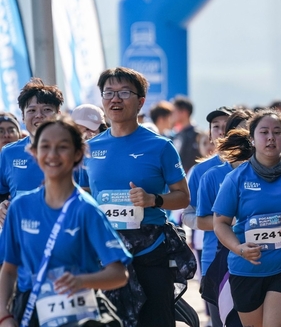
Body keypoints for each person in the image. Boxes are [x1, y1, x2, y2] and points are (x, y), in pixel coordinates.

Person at [79, 67, 190, 327]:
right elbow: (82, 194)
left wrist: (154, 200)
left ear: (140, 102)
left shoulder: (160, 146)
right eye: (109, 93)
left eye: (124, 93)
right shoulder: (89, 148)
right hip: (104, 253)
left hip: (149, 252)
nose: (115, 99)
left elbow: (183, 197)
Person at [0, 115, 132, 327]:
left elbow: (118, 274)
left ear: (78, 153)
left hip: (79, 314)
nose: (53, 154)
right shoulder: (20, 207)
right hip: (29, 312)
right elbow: (8, 269)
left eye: (62, 147)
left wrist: (81, 281)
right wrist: (4, 316)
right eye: (45, 146)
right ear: (34, 152)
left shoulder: (86, 209)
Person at [212, 109, 281, 327]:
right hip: (246, 269)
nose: (271, 137)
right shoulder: (235, 179)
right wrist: (239, 248)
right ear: (252, 139)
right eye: (264, 132)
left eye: (277, 132)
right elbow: (220, 223)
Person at [195, 109, 252, 327]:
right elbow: (197, 219)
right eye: (239, 133)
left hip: (262, 259)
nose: (245, 139)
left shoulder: (275, 172)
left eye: (250, 133)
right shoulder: (208, 174)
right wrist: (229, 223)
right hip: (217, 259)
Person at [0, 78, 64, 222]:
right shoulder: (8, 153)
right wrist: (1, 206)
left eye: (47, 110)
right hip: (21, 231)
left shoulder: (76, 152)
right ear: (23, 117)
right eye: (32, 110)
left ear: (58, 115)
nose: (39, 115)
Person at [172, 95, 200, 172]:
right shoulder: (176, 135)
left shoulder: (197, 135)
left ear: (184, 112)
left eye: (174, 111)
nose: (172, 115)